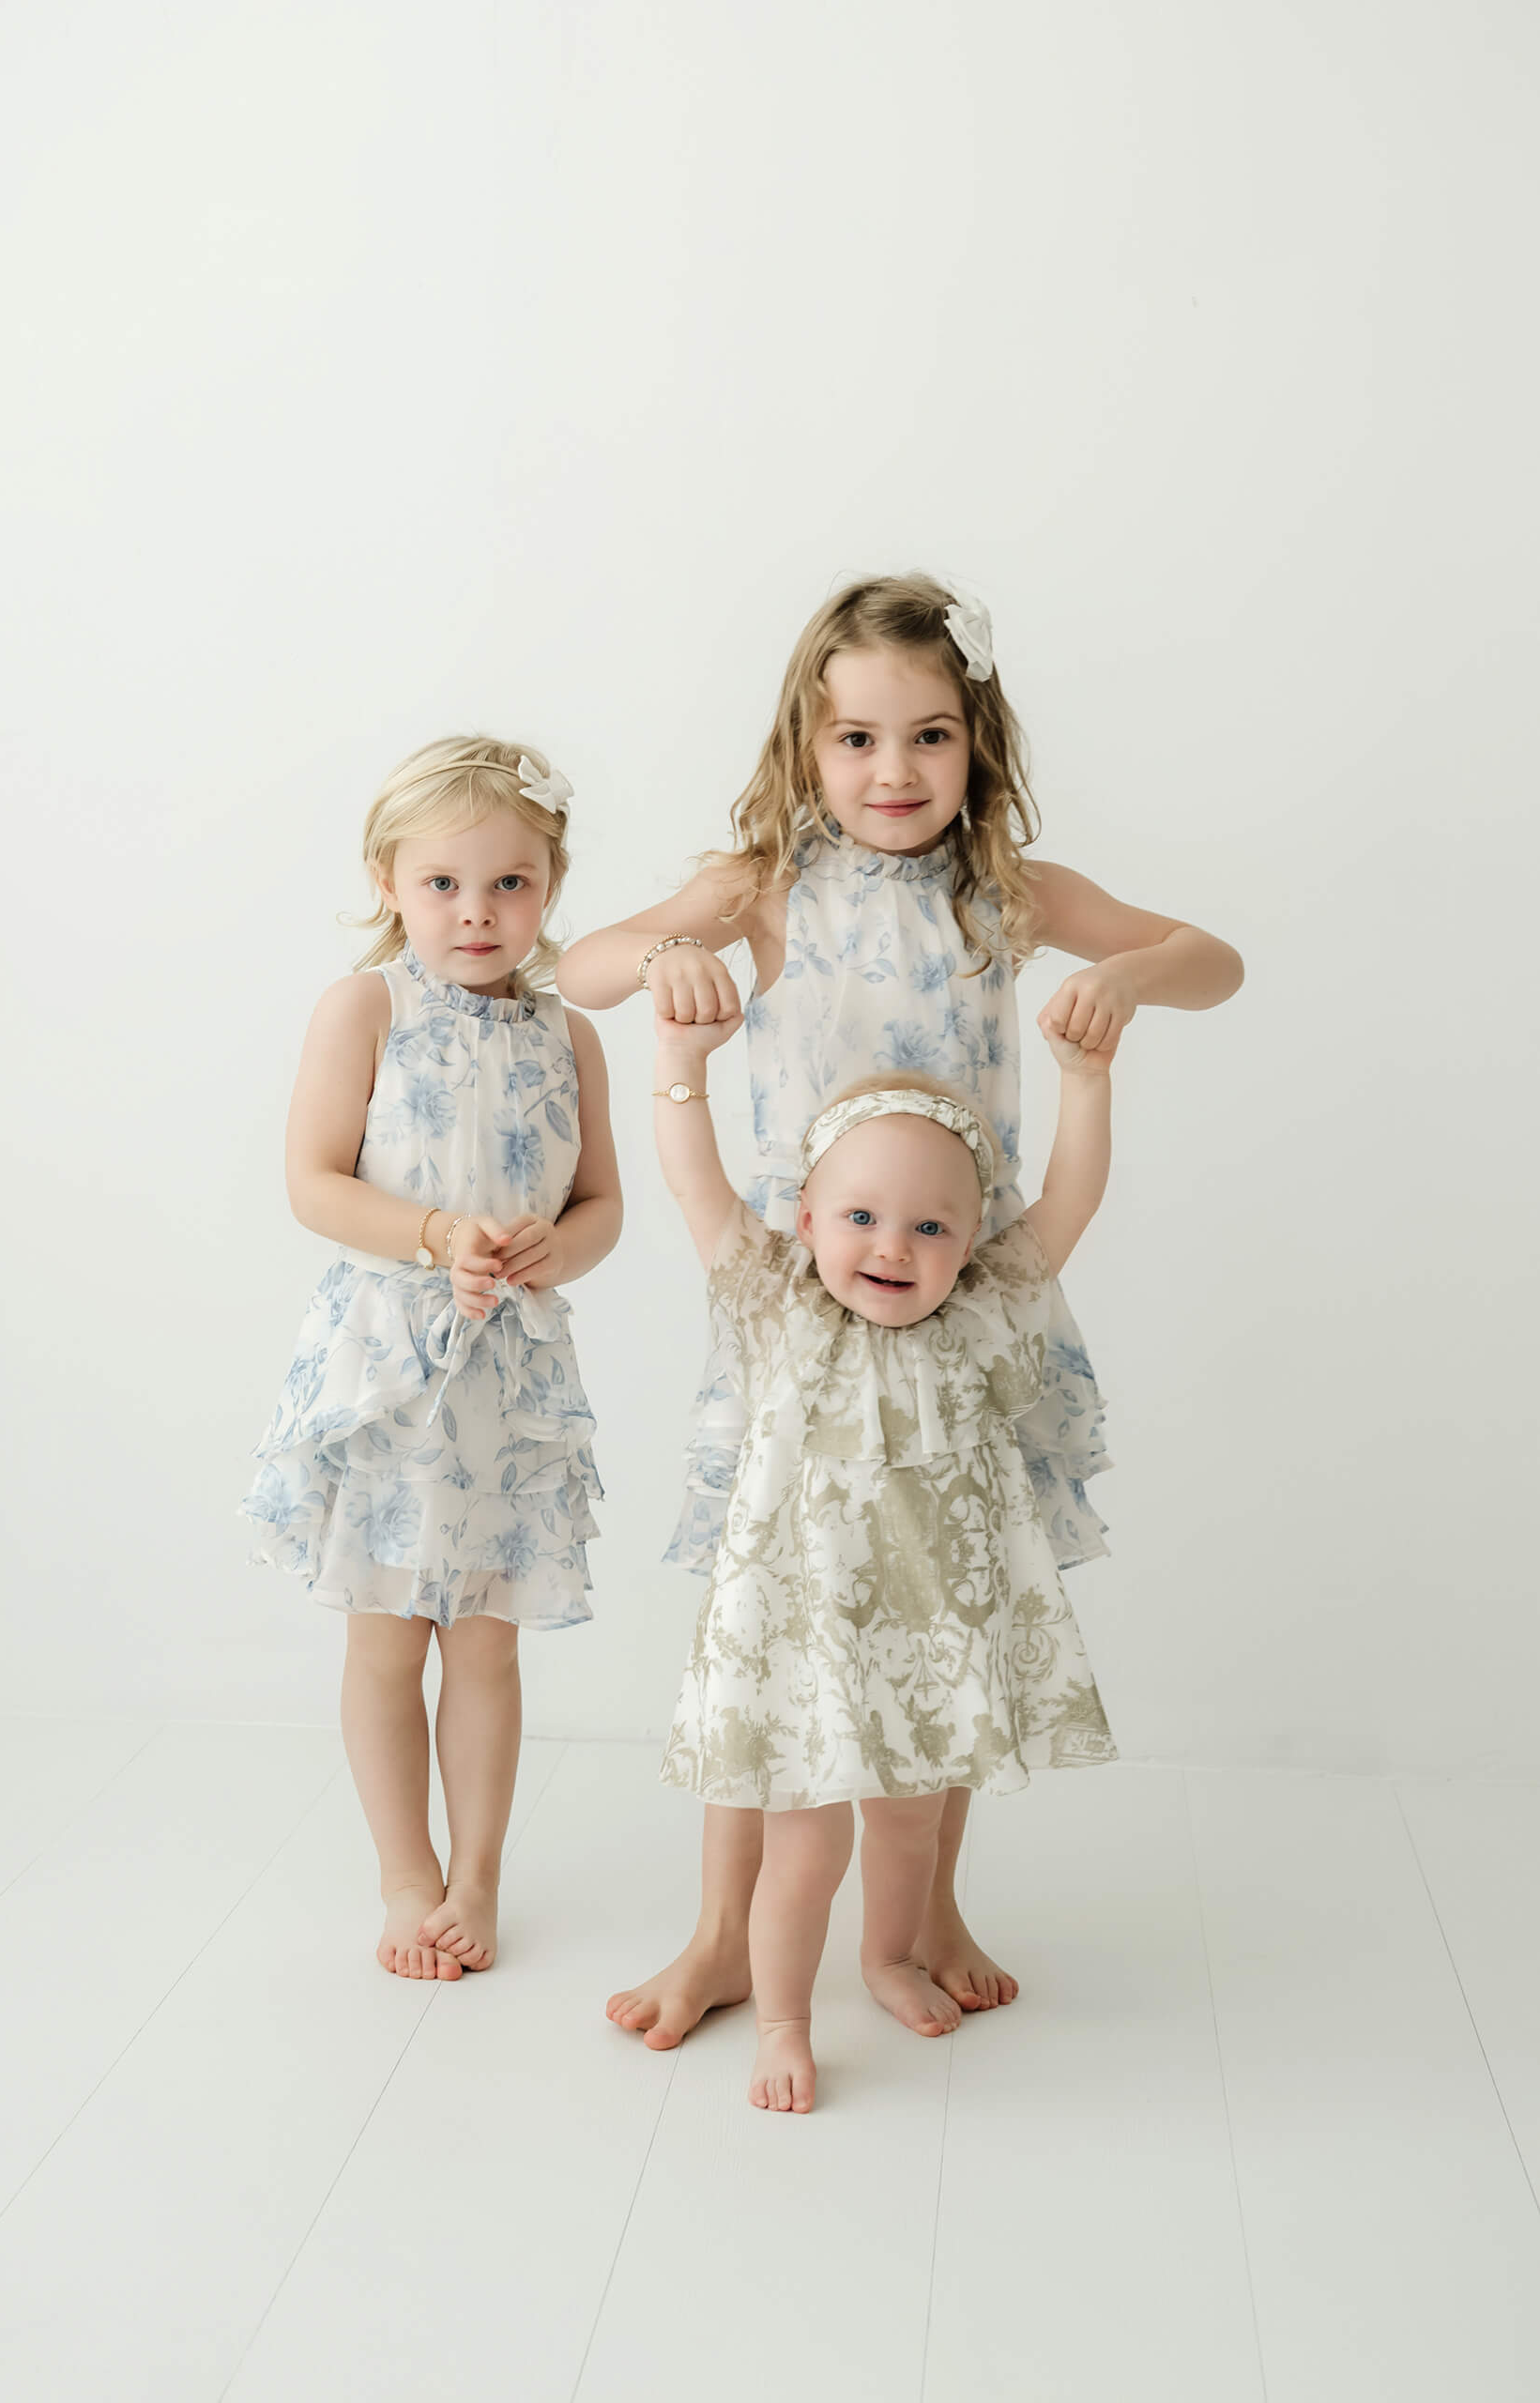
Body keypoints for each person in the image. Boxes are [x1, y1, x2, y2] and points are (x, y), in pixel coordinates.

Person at [557, 573, 1242, 2045]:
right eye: (855, 738)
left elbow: (1215, 962)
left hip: (961, 1297)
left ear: (973, 741)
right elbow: (582, 963)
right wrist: (664, 957)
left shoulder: (1006, 892)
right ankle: (720, 1936)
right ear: (803, 743)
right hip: (800, 1315)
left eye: (928, 736)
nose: (891, 771)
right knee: (767, 1620)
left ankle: (919, 1914)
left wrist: (1127, 975)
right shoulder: (759, 886)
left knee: (949, 1599)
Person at [649, 998, 1119, 2110]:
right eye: (860, 1215)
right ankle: (783, 2017)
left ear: (972, 1239)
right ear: (806, 1218)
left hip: (928, 1639)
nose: (893, 1246)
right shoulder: (778, 1302)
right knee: (805, 1852)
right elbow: (692, 1182)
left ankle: (892, 1954)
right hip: (804, 1644)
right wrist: (680, 1064)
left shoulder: (984, 1312)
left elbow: (1072, 1199)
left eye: (931, 1227)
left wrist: (1086, 1081)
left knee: (910, 1830)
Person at [242, 737, 620, 1981]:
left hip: (506, 1377)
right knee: (389, 1636)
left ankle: (477, 1877)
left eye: (511, 883)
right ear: (387, 881)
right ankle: (406, 1876)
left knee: (488, 1641)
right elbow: (313, 1183)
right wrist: (436, 1235)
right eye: (444, 883)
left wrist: (554, 1248)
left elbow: (602, 1206)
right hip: (392, 1368)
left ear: (549, 884)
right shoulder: (368, 1007)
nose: (477, 911)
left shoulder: (569, 1034)